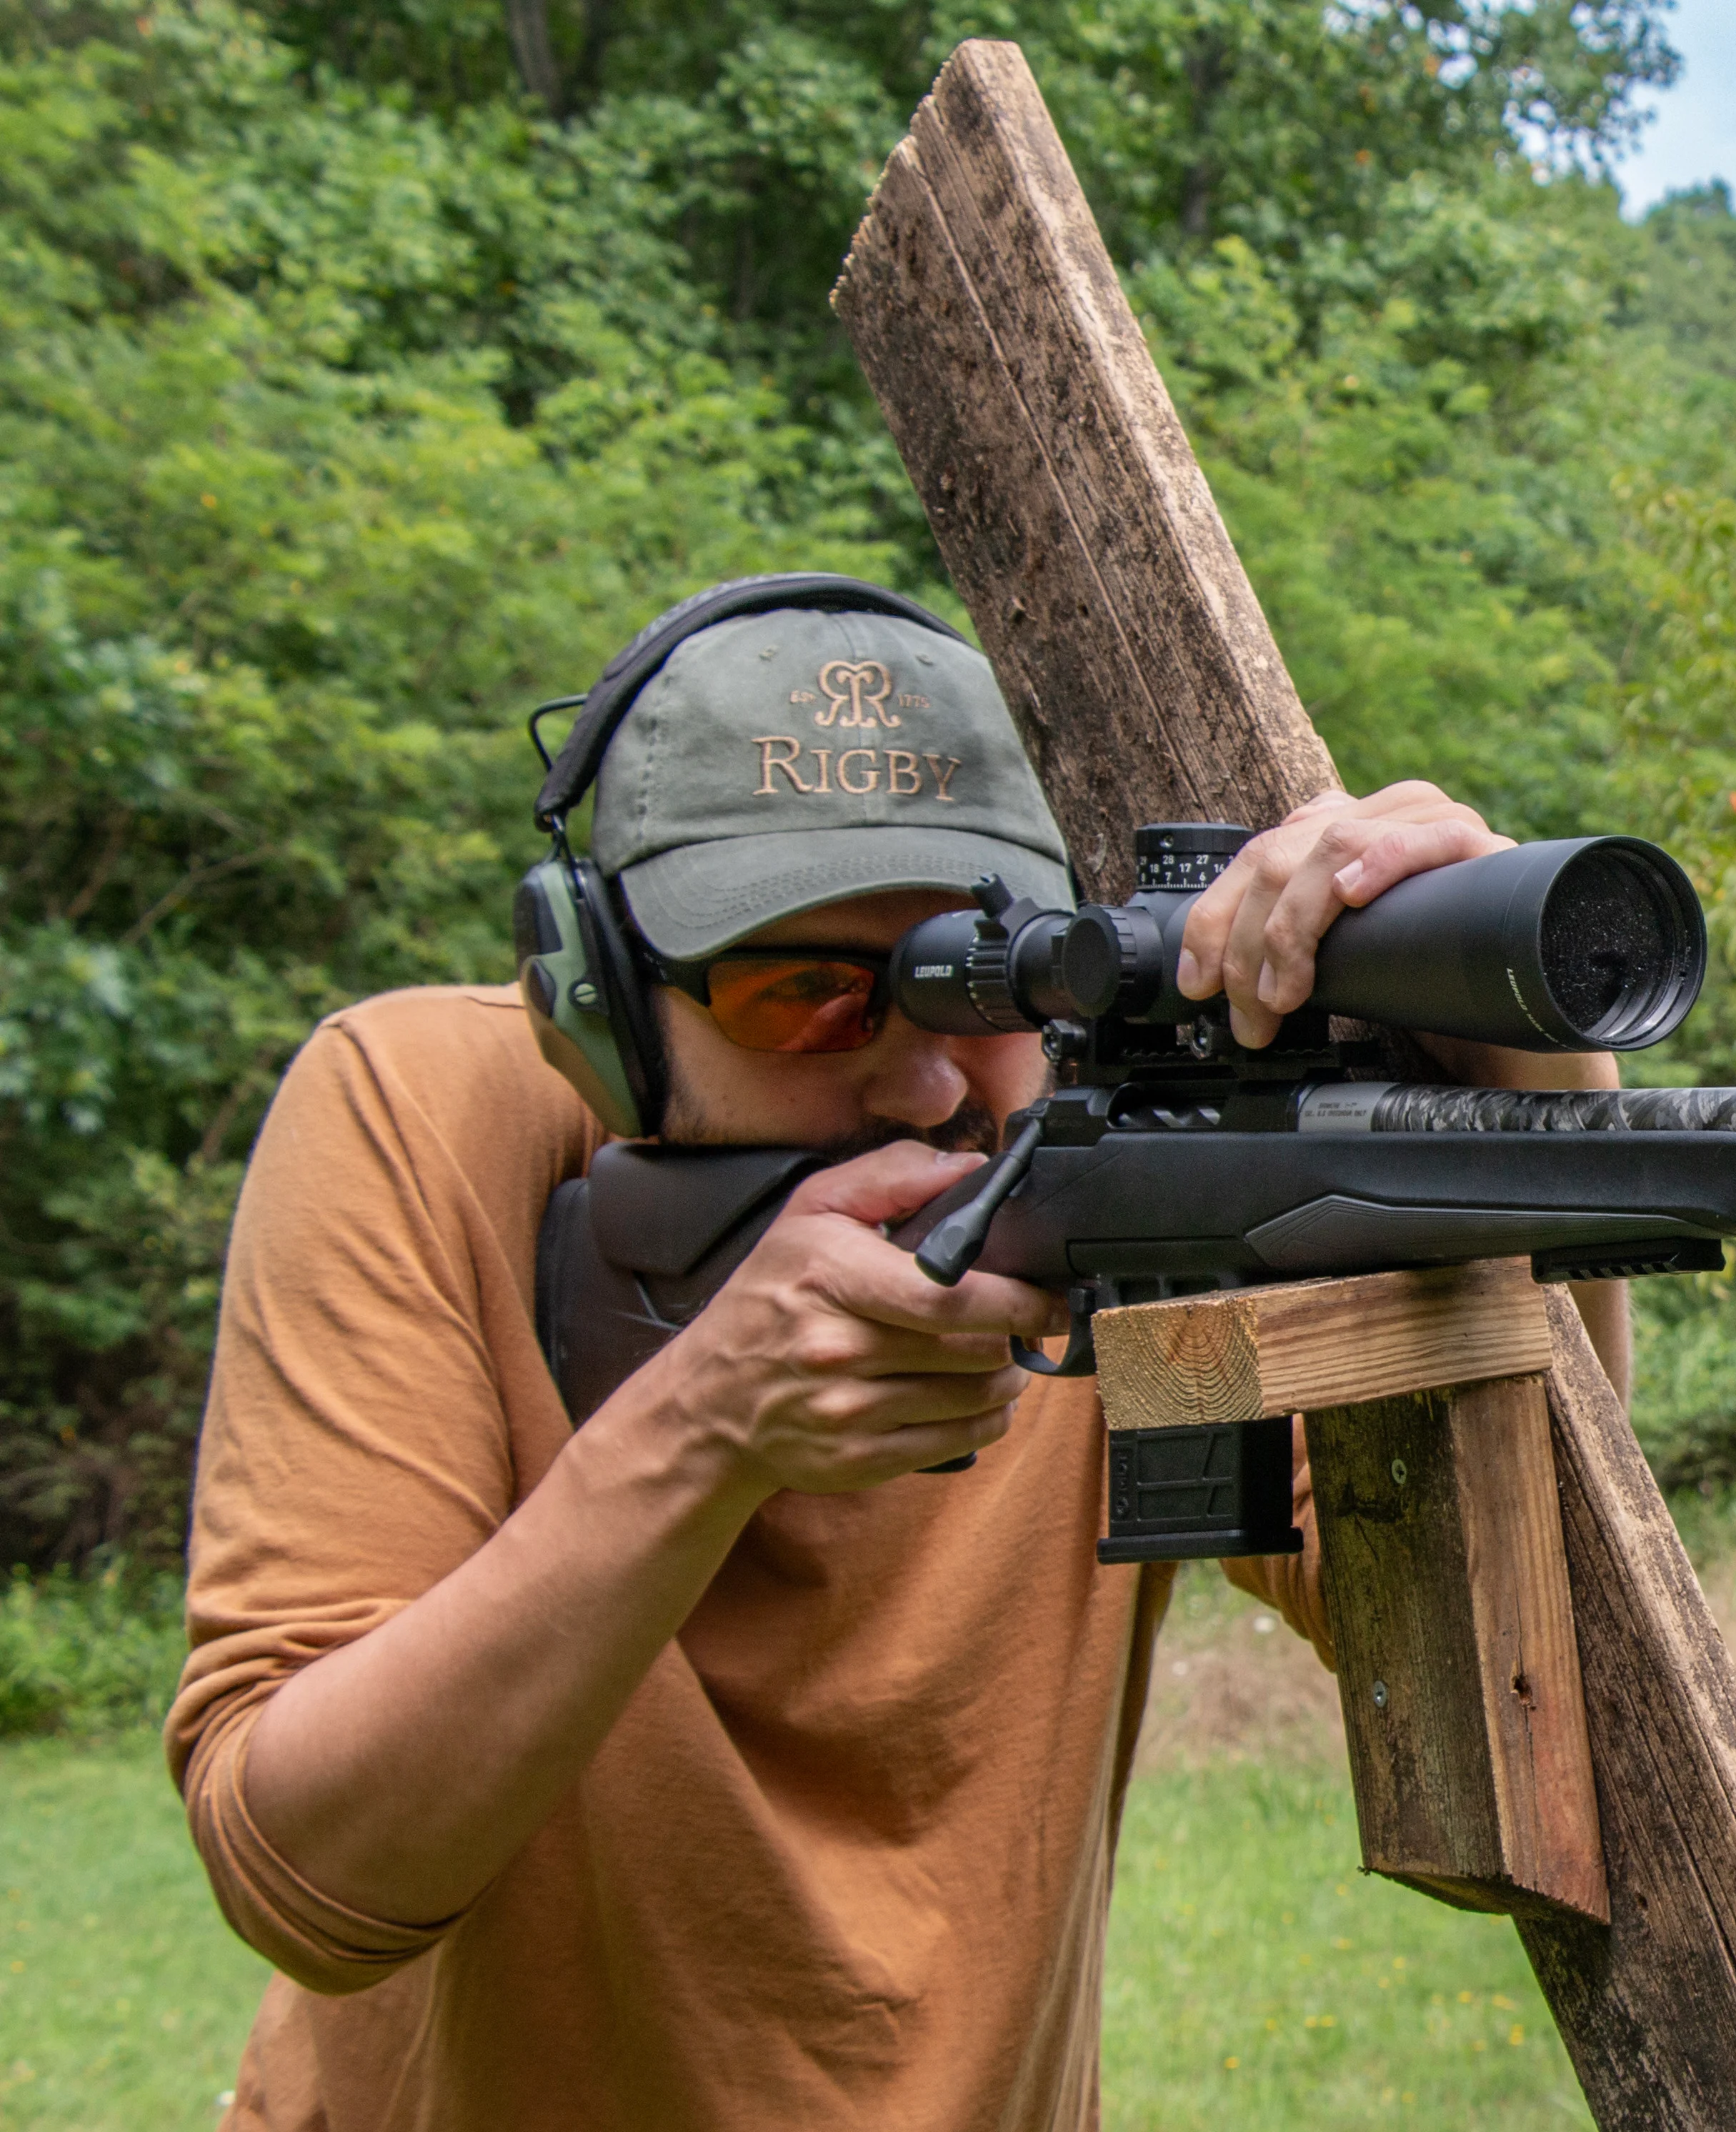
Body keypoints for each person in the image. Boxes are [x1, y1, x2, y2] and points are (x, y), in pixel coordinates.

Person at [166, 580, 1623, 2129]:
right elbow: (307, 1876)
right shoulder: (417, 1115)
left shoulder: (1111, 1188)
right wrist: (704, 1431)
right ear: (602, 1002)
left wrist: (1533, 1075)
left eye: (983, 979)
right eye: (804, 991)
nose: (927, 1081)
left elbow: (1521, 1654)